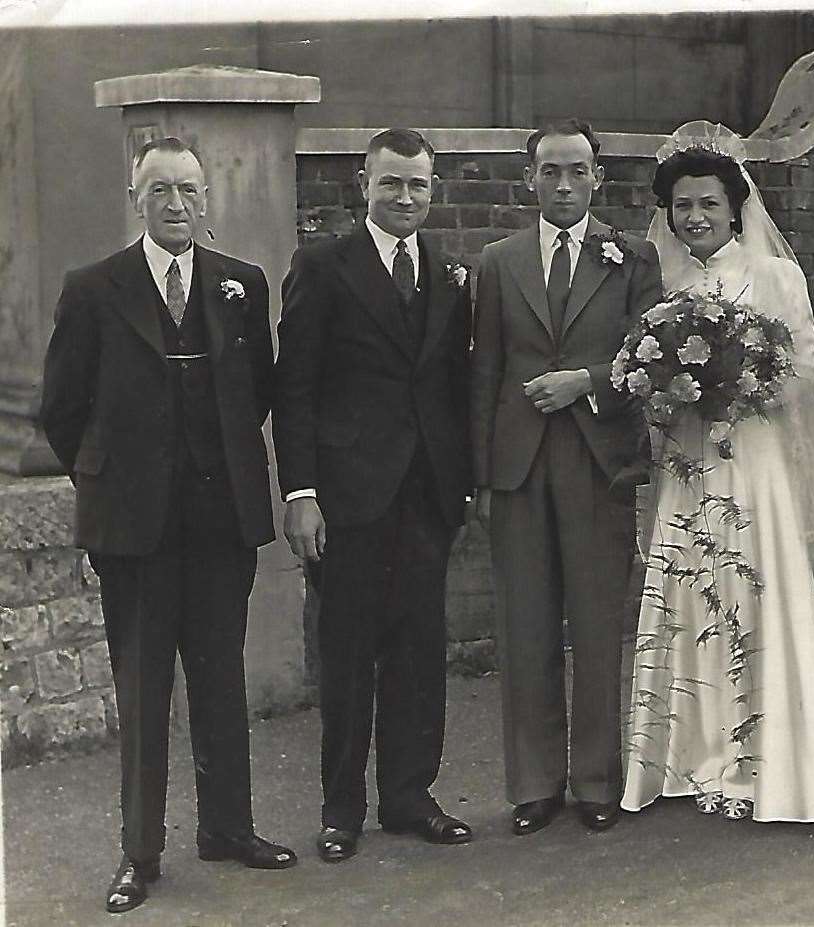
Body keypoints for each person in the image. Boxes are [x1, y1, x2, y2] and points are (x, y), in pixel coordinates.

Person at [39, 137, 296, 914]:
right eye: (160, 191)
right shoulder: (94, 288)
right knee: (145, 689)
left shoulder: (239, 286)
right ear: (135, 197)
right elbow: (61, 409)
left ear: (207, 198)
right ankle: (139, 852)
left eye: (189, 189)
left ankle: (228, 828)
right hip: (134, 530)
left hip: (220, 522)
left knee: (221, 680)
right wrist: (115, 476)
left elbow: (255, 394)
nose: (177, 204)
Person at [620, 122, 814, 823]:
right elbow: (645, 372)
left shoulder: (774, 275)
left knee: (753, 588)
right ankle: (689, 756)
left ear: (734, 204)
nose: (695, 218)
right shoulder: (661, 278)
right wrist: (666, 388)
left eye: (709, 204)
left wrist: (744, 381)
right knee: (692, 588)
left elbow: (805, 367)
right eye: (683, 205)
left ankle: (762, 761)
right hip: (690, 460)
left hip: (757, 457)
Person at [273, 128, 473, 862]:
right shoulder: (322, 268)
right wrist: (301, 491)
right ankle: (341, 808)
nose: (406, 197)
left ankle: (410, 795)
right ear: (363, 184)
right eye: (392, 182)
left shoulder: (447, 273)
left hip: (426, 495)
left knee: (421, 649)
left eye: (418, 184)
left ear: (433, 189)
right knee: (349, 651)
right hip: (348, 497)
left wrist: (462, 483)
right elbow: (294, 388)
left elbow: (452, 388)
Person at [471, 119, 663, 836]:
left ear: (597, 179)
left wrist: (585, 379)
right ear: (530, 180)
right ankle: (534, 782)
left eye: (576, 171)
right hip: (518, 465)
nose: (563, 184)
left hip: (596, 461)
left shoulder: (632, 257)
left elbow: (647, 351)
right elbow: (484, 372)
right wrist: (482, 477)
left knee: (596, 620)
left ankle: (595, 781)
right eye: (550, 171)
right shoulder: (499, 261)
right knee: (525, 628)